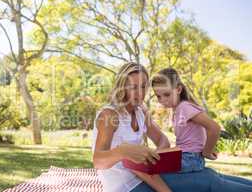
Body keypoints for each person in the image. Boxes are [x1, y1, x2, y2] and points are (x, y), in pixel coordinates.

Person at [92, 62, 252, 192]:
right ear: (122, 88)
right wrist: (121, 152)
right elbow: (98, 161)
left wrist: (154, 156)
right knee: (208, 181)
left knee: (208, 175)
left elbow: (162, 139)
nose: (140, 93)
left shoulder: (141, 112)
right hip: (126, 187)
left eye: (143, 86)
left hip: (147, 175)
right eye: (133, 87)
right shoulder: (110, 115)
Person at [151, 67, 220, 173]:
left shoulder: (185, 107)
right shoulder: (177, 110)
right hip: (185, 156)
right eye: (158, 96)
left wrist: (207, 152)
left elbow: (214, 128)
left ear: (178, 89)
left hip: (190, 158)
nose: (162, 100)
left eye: (167, 94)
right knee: (150, 160)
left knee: (151, 169)